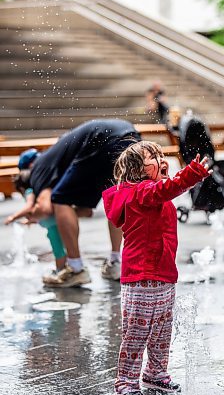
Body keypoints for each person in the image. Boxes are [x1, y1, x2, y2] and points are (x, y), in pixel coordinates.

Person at [102, 141, 210, 395]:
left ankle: (155, 373)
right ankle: (126, 381)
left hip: (162, 272)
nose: (162, 160)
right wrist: (191, 174)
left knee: (162, 330)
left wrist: (187, 177)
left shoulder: (150, 191)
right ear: (138, 170)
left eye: (162, 154)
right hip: (141, 275)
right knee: (137, 331)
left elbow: (166, 189)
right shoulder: (141, 192)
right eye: (154, 157)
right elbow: (167, 188)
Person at [17, 119, 141, 288]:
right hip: (131, 137)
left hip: (101, 140)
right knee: (116, 198)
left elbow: (46, 208)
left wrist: (33, 215)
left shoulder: (38, 168)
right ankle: (116, 262)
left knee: (60, 198)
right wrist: (62, 218)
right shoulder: (63, 158)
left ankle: (76, 269)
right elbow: (86, 210)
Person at [4, 170, 67, 271]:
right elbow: (38, 212)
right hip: (57, 223)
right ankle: (65, 267)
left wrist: (13, 217)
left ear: (21, 188)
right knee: (62, 247)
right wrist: (30, 221)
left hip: (53, 225)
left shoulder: (29, 191)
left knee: (58, 249)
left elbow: (29, 207)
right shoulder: (39, 191)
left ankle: (61, 269)